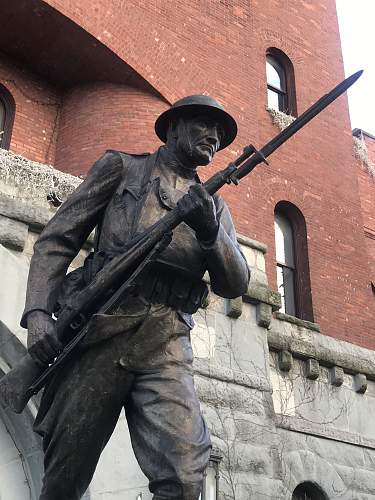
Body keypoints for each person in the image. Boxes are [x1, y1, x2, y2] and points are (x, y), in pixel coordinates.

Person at [21, 95, 250, 500]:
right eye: (203, 124)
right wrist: (38, 312)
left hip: (166, 339)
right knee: (64, 477)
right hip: (101, 329)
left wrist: (209, 231)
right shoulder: (122, 168)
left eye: (220, 133)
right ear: (174, 126)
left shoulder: (213, 205)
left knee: (184, 476)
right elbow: (58, 239)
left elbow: (235, 283)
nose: (214, 136)